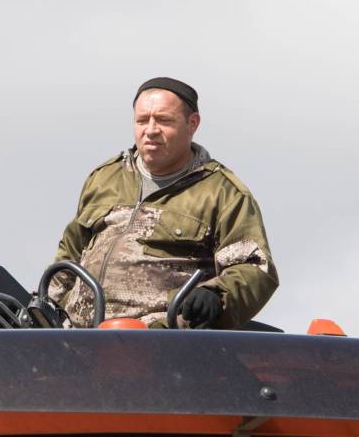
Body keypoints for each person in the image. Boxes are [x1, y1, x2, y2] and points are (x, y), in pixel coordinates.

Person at [48, 77, 277, 328]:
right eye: (142, 120)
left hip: (159, 340)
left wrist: (216, 295)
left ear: (192, 123)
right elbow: (69, 257)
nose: (151, 130)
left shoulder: (222, 193)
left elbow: (254, 269)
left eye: (164, 120)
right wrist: (48, 311)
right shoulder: (104, 179)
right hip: (78, 339)